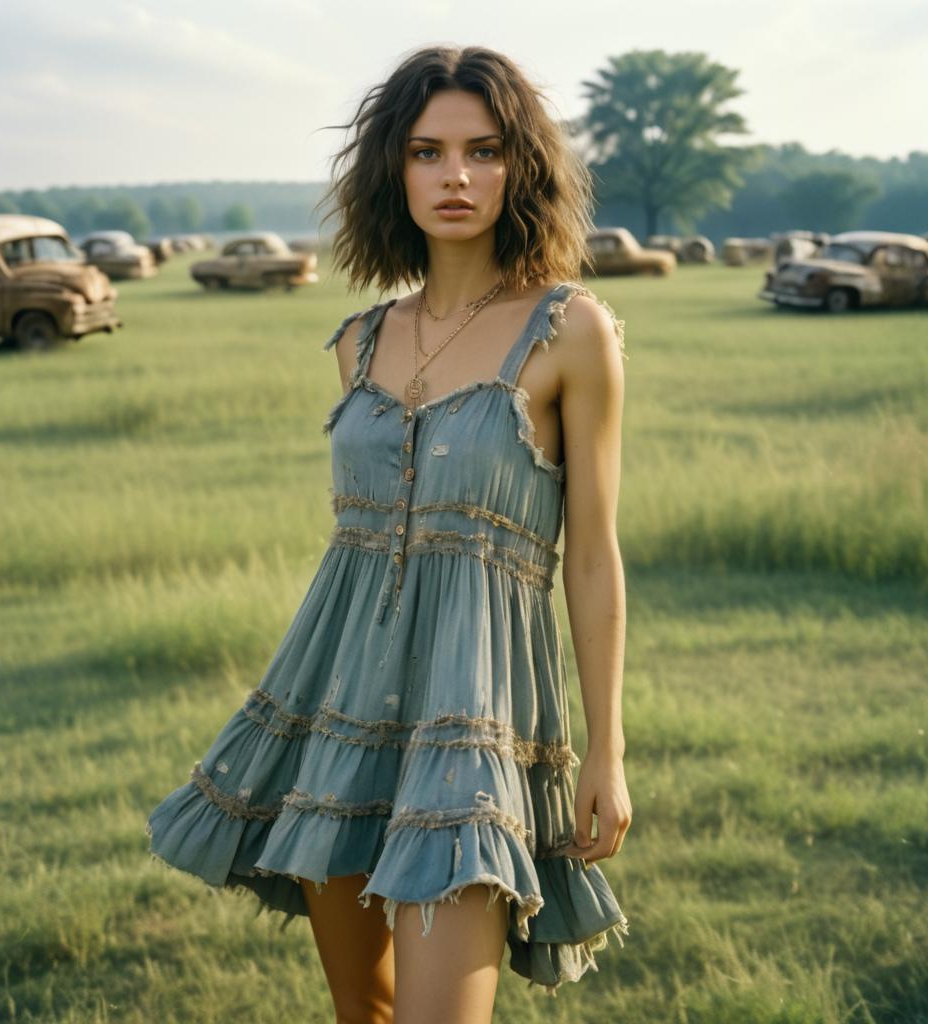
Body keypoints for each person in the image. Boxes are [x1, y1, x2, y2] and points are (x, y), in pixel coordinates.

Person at [147, 44, 631, 1024]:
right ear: (392, 170)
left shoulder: (570, 330)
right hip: (335, 720)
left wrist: (607, 751)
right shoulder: (358, 341)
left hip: (474, 725)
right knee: (358, 1012)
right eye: (427, 152)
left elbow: (590, 555)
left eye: (483, 150)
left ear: (519, 167)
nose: (455, 176)